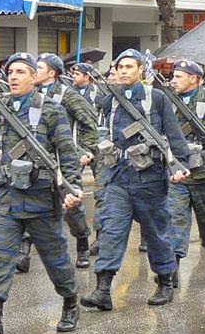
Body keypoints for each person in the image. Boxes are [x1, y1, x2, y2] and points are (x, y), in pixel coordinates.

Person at [0, 52, 84, 334]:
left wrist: (72, 188)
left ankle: (70, 303)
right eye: (10, 72)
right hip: (6, 199)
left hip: (41, 199)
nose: (13, 77)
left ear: (34, 77)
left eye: (20, 72)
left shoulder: (51, 110)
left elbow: (67, 153)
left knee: (55, 258)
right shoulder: (2, 107)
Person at [81, 49, 189, 311]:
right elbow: (100, 133)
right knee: (111, 232)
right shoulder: (110, 100)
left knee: (156, 233)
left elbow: (174, 136)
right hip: (118, 177)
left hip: (149, 178)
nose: (124, 71)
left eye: (130, 66)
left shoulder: (157, 98)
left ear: (141, 69)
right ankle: (103, 289)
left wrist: (181, 165)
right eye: (120, 67)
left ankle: (164, 282)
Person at [18, 53, 97, 271]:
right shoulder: (28, 93)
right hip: (34, 160)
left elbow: (88, 121)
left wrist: (87, 149)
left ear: (51, 73)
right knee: (29, 201)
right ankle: (23, 252)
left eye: (40, 67)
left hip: (62, 160)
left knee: (71, 206)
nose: (35, 71)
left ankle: (82, 242)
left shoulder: (66, 95)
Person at [165, 60, 205, 285]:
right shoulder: (166, 101)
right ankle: (172, 268)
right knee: (174, 220)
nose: (173, 80)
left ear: (194, 78)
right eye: (173, 76)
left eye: (179, 76)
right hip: (178, 173)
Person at [71, 63, 108, 255]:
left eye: (77, 74)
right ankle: (81, 238)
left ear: (87, 76)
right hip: (79, 147)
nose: (74, 77)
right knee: (72, 190)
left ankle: (100, 238)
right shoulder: (69, 94)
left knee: (101, 192)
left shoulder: (99, 94)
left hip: (99, 148)